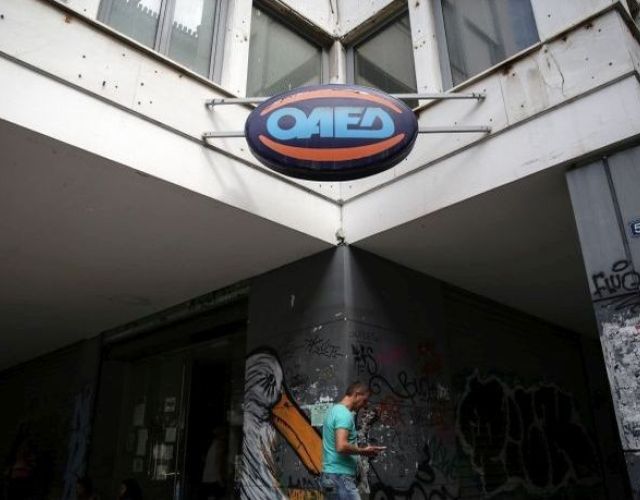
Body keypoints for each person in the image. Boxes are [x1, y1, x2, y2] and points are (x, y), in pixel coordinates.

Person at [321, 382, 385, 499]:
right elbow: (341, 446)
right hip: (340, 478)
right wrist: (363, 451)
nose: (365, 405)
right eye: (364, 400)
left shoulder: (332, 411)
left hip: (331, 476)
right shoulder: (344, 414)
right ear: (356, 395)